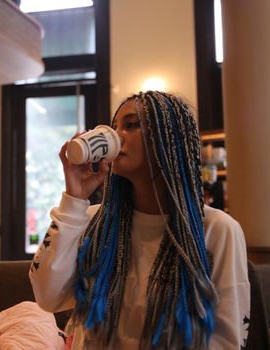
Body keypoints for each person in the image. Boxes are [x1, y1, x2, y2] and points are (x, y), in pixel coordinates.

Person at [29, 91, 250, 349]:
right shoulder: (91, 220)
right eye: (114, 127)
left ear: (170, 140)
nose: (116, 135)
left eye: (132, 125)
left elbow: (228, 339)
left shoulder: (217, 230)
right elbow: (48, 297)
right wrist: (74, 198)